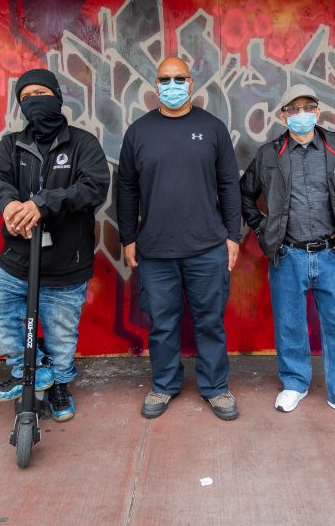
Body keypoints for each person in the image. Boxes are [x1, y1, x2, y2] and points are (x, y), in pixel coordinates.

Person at [0, 68, 110, 422]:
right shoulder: (10, 145)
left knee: (62, 332)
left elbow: (94, 187)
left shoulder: (83, 144)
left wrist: (41, 203)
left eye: (40, 92)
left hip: (68, 259)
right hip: (17, 259)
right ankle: (30, 369)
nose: (33, 100)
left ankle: (60, 384)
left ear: (56, 97)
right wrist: (8, 204)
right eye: (25, 96)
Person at [240, 84, 335, 426]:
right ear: (283, 115)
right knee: (290, 324)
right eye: (294, 108)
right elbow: (245, 196)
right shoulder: (269, 154)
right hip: (287, 255)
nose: (302, 114)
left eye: (309, 107)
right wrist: (263, 230)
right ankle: (295, 383)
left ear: (318, 112)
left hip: (330, 254)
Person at [117, 57, 243, 421]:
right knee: (163, 322)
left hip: (207, 248)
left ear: (191, 83)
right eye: (165, 79)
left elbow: (229, 185)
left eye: (179, 79)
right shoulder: (139, 132)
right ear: (156, 84)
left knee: (210, 322)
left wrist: (232, 235)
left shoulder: (213, 129)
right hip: (155, 251)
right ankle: (165, 384)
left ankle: (216, 388)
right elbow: (125, 188)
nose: (172, 85)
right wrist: (128, 237)